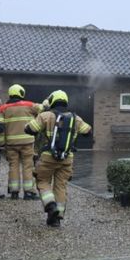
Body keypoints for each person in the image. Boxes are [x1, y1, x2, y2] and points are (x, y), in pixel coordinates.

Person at [25, 90, 92, 227]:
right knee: (61, 186)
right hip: (67, 159)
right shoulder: (75, 118)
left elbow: (30, 129)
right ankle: (56, 218)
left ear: (52, 101)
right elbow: (88, 131)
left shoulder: (46, 116)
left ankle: (50, 206)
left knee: (42, 181)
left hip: (48, 157)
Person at [0, 84, 42, 200]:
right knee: (28, 166)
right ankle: (28, 193)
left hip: (11, 144)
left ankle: (14, 192)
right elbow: (43, 109)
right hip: (27, 142)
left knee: (13, 166)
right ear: (22, 93)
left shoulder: (3, 108)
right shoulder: (30, 105)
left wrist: (1, 143)